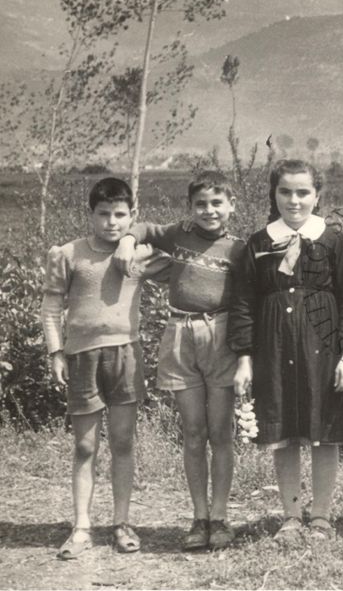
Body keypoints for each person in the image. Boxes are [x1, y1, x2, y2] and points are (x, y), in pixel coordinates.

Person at [227, 159, 343, 547]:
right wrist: (245, 357)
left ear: (317, 195)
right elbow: (243, 303)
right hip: (274, 347)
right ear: (274, 194)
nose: (294, 200)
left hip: (324, 349)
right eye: (285, 191)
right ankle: (291, 514)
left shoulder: (332, 240)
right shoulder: (259, 242)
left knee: (323, 432)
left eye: (303, 192)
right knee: (283, 432)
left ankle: (320, 516)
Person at [113, 170, 245, 551]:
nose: (209, 211)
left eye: (217, 203)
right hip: (179, 334)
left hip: (220, 336)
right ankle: (199, 517)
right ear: (190, 208)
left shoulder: (238, 248)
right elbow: (144, 228)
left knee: (221, 433)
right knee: (193, 432)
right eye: (201, 204)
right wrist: (126, 240)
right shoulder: (179, 233)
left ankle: (219, 517)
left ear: (231, 206)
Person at [41, 177, 170, 559]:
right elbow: (51, 309)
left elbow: (185, 260)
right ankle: (81, 526)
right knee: (84, 445)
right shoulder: (67, 254)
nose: (111, 222)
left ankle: (121, 522)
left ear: (132, 215)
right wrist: (55, 352)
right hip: (82, 357)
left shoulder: (140, 255)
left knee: (123, 441)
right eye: (103, 214)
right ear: (91, 214)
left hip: (125, 356)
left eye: (120, 215)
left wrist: (133, 240)